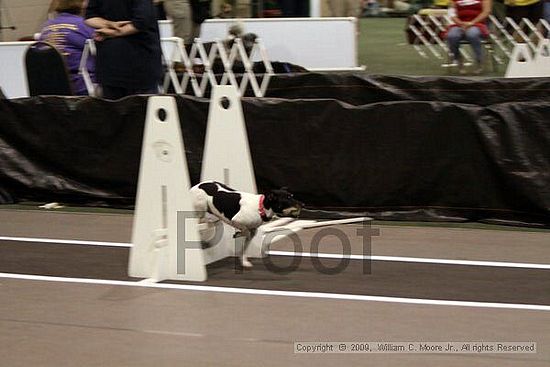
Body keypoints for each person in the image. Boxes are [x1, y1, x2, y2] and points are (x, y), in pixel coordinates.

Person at [85, 0, 162, 100]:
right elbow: (142, 21)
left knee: (112, 112)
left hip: (110, 63)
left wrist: (110, 27)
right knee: (142, 112)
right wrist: (114, 29)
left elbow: (89, 17)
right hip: (139, 63)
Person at [39, 0, 96, 95]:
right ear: (83, 4)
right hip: (80, 85)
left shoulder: (46, 27)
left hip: (50, 86)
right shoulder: (86, 25)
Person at [446, 0, 492, 74]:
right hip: (460, 24)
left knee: (472, 34)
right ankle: (459, 60)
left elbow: (486, 12)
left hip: (478, 24)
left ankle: (479, 61)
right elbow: (451, 13)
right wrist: (460, 23)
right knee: (452, 36)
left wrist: (472, 23)